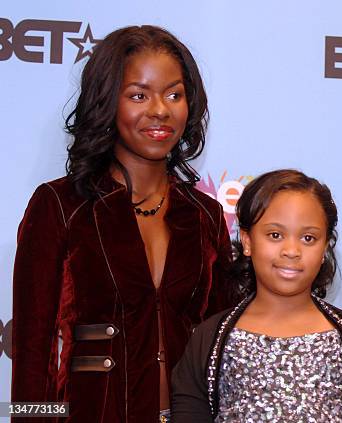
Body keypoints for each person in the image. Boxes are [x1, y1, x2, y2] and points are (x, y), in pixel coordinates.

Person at [11, 26, 232, 422]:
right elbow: (32, 355)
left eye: (174, 94)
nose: (160, 110)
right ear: (106, 101)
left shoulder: (205, 215)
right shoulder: (60, 206)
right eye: (138, 95)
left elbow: (222, 346)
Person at [172, 169, 342, 422]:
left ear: (325, 248)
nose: (292, 250)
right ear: (247, 240)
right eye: (275, 235)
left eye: (308, 238)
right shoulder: (210, 340)